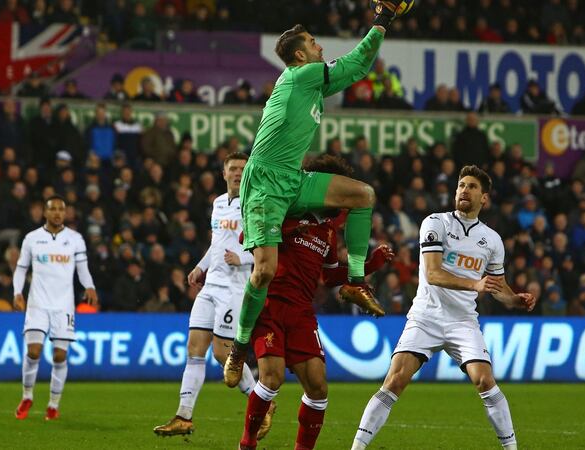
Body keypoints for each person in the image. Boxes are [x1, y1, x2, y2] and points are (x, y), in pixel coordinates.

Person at [222, 1, 410, 388]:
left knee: (362, 195)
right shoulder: (300, 75)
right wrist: (383, 17)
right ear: (299, 55)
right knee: (265, 272)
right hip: (264, 184)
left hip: (292, 177)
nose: (319, 47)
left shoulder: (310, 83)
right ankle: (240, 349)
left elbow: (356, 68)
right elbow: (356, 62)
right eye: (312, 42)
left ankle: (355, 281)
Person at [351, 165, 536, 450]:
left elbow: (496, 286)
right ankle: (357, 448)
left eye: (472, 186)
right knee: (395, 380)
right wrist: (475, 285)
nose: (464, 190)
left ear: (484, 198)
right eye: (461, 185)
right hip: (426, 316)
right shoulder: (435, 223)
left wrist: (514, 300)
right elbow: (434, 273)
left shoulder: (493, 240)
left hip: (463, 321)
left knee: (485, 381)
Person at [239, 155, 394, 450]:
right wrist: (287, 231)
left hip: (301, 312)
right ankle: (246, 444)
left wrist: (371, 264)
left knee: (319, 388)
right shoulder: (285, 207)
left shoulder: (327, 230)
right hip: (270, 304)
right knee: (271, 379)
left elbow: (329, 277)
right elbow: (248, 234)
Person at [153, 152, 271, 437]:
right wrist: (199, 267)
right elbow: (217, 244)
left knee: (222, 353)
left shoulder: (254, 203)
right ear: (224, 173)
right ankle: (184, 416)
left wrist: (243, 260)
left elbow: (267, 248)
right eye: (233, 169)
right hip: (211, 286)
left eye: (243, 169)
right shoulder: (218, 203)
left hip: (235, 287)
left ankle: (262, 405)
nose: (238, 173)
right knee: (194, 349)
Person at [13, 195, 98, 421]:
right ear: (45, 212)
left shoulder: (75, 239)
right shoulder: (32, 238)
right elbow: (21, 268)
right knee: (33, 351)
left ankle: (53, 404)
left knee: (60, 356)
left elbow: (83, 268)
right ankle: (27, 396)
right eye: (53, 209)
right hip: (37, 304)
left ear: (66, 212)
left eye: (62, 209)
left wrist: (89, 286)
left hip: (64, 306)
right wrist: (17, 292)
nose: (58, 213)